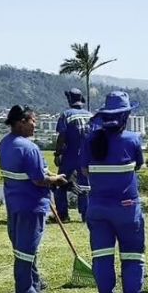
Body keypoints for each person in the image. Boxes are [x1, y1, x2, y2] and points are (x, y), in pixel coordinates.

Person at [80, 91, 148, 293]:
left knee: (101, 255)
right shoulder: (132, 140)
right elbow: (138, 165)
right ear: (125, 116)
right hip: (127, 208)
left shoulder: (91, 140)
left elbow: (83, 170)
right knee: (132, 255)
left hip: (97, 207)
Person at [0, 106, 67, 293]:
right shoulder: (29, 148)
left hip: (13, 202)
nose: (35, 125)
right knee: (27, 248)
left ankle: (34, 281)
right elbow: (38, 179)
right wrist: (57, 180)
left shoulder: (4, 144)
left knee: (22, 245)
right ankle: (26, 289)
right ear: (21, 122)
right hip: (32, 203)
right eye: (32, 121)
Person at [53, 88, 93, 221]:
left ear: (70, 99)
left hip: (70, 154)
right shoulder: (90, 115)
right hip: (87, 156)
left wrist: (57, 153)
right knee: (85, 185)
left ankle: (63, 215)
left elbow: (62, 136)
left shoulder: (66, 115)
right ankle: (86, 214)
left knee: (61, 182)